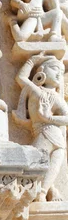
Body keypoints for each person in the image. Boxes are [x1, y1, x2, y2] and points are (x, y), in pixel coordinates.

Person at [14, 54, 67, 200]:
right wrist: (32, 61)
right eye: (55, 69)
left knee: (45, 167)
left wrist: (49, 117)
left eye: (62, 72)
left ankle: (43, 192)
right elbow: (21, 78)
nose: (59, 74)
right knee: (36, 165)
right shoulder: (37, 91)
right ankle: (47, 192)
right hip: (45, 133)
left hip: (53, 135)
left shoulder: (55, 97)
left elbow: (67, 118)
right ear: (42, 70)